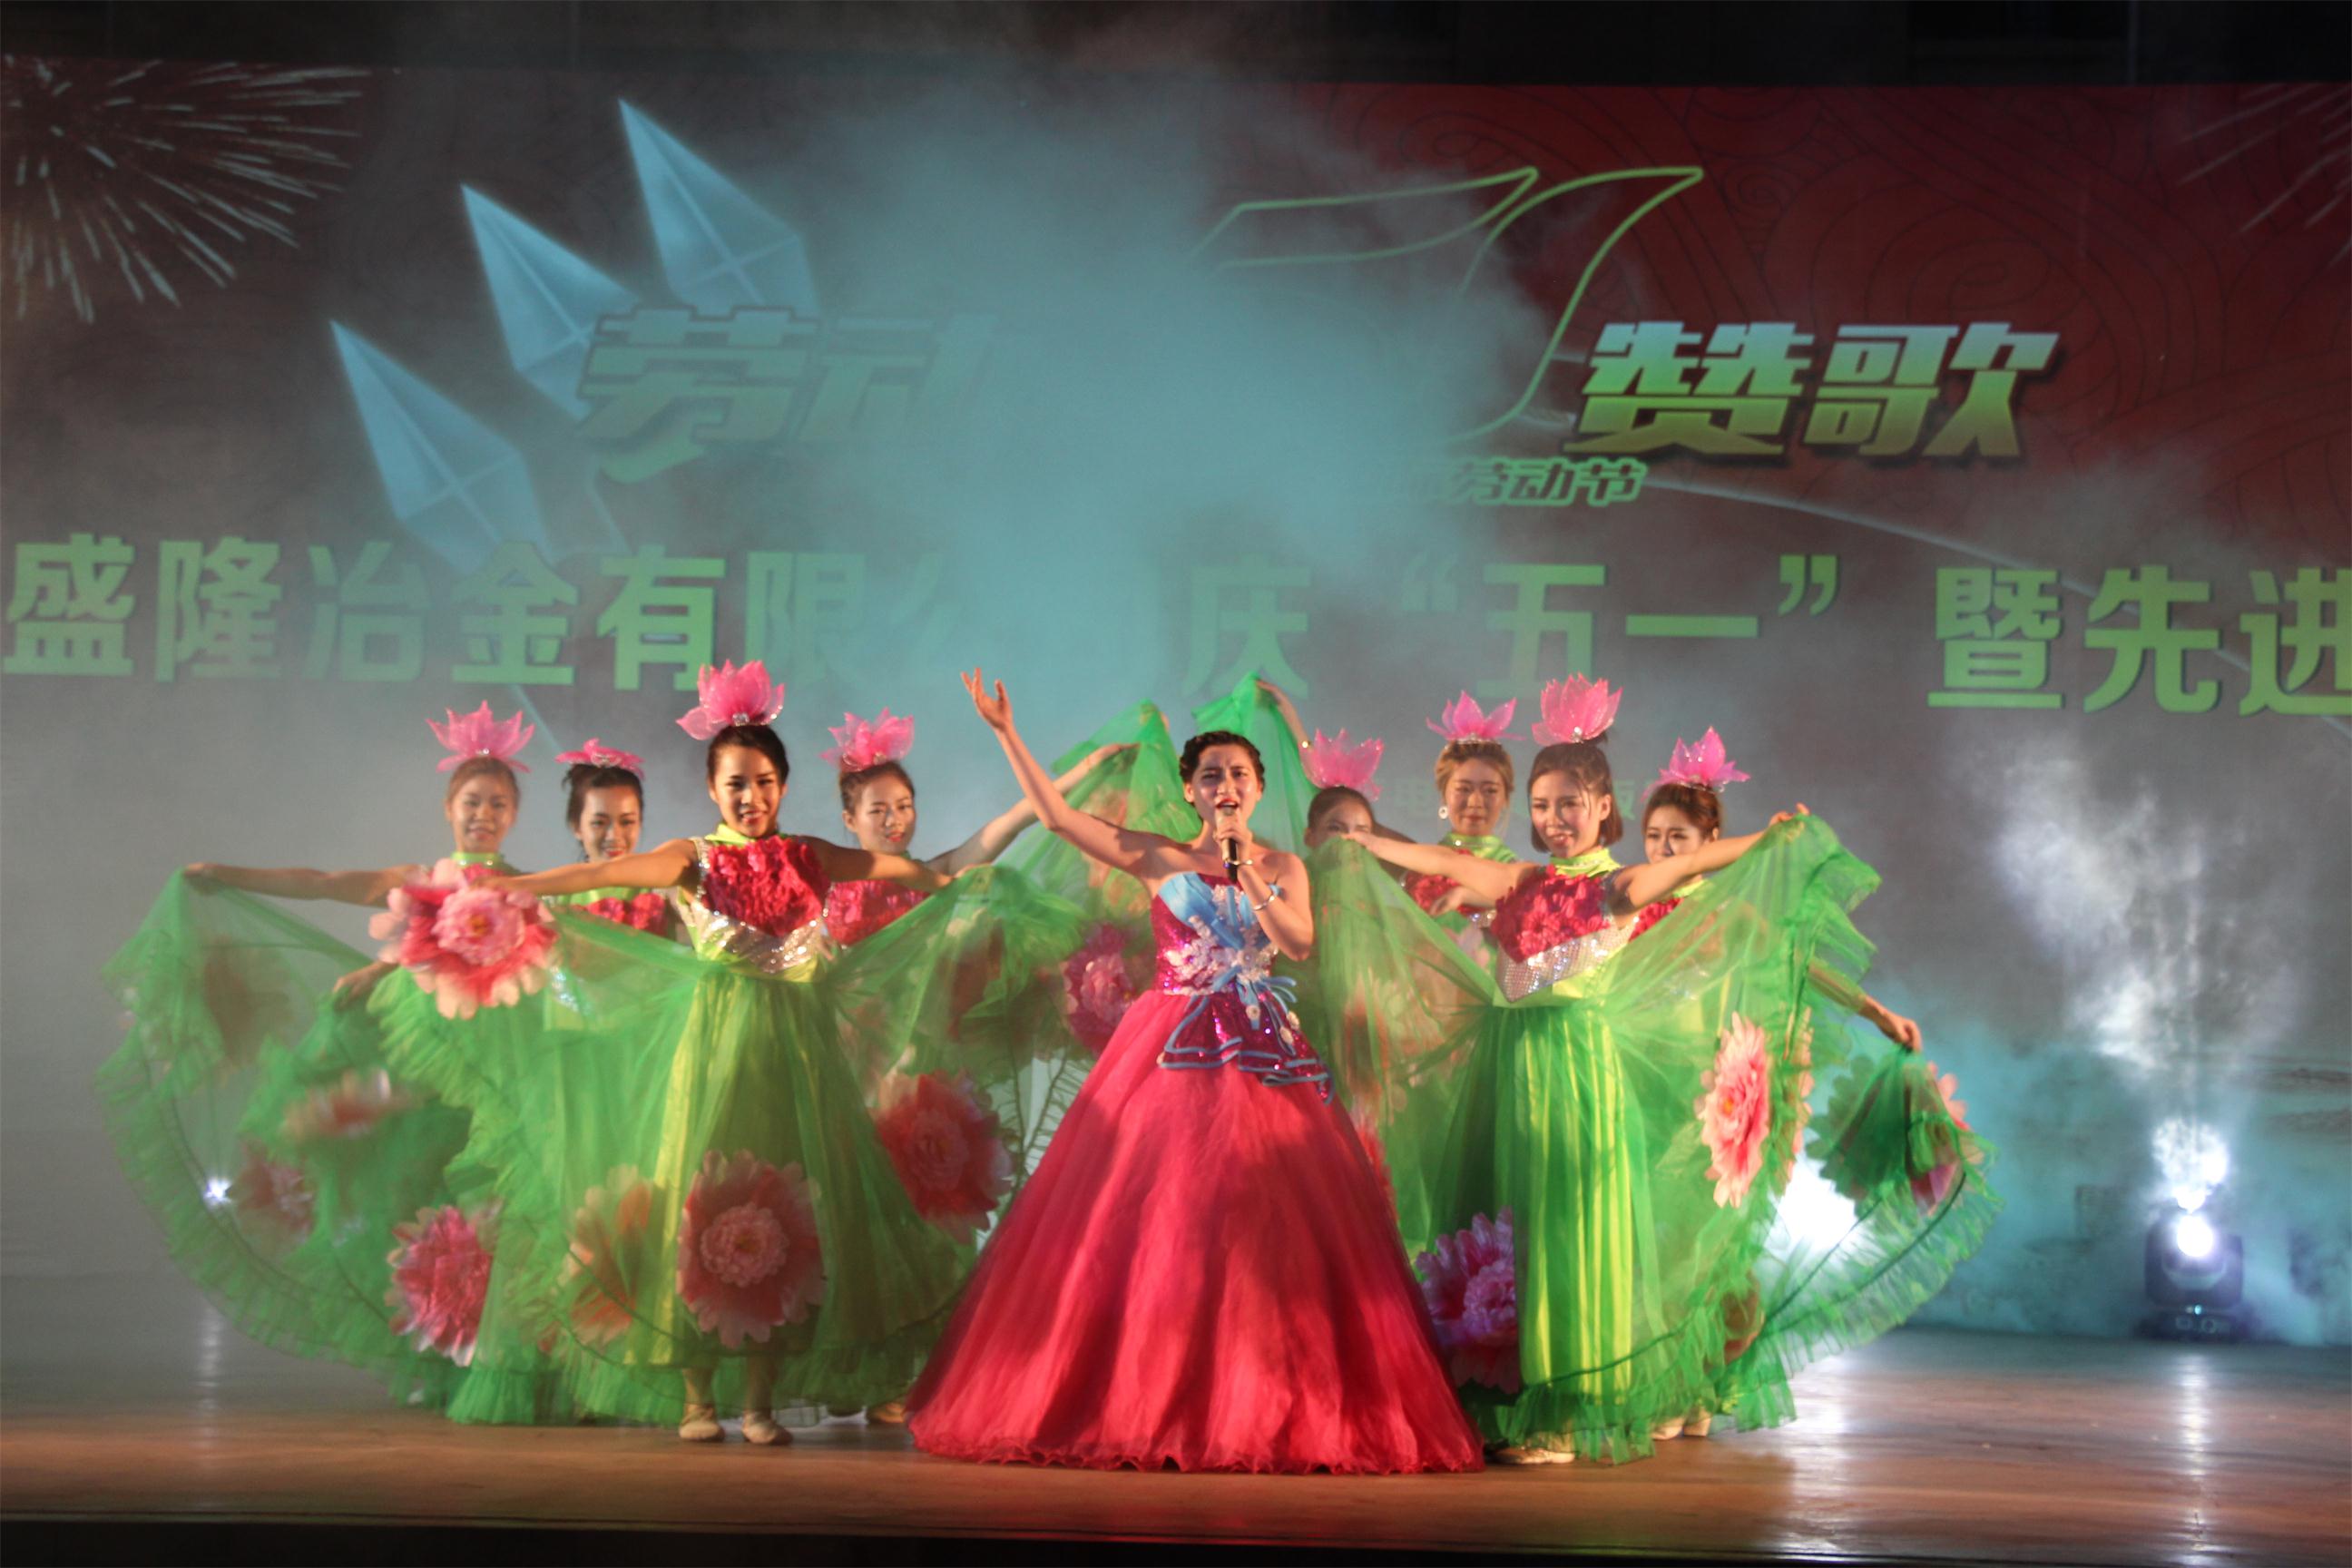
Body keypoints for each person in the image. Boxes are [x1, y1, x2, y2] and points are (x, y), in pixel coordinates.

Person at [903, 670, 1482, 1475]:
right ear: (1190, 789)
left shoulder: (1284, 865)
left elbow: (1300, 942)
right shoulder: (1158, 856)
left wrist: (1249, 872)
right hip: (1169, 1049)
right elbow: (1058, 817)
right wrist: (1006, 732)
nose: (1226, 786)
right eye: (1211, 775)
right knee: (1160, 1221)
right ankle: (1149, 1399)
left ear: (1258, 788)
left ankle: (1263, 1401)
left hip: (1263, 1052)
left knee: (1262, 1227)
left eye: (1239, 774)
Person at [479, 662, 971, 1444]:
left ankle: (759, 1403)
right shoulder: (692, 858)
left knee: (790, 1208)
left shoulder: (809, 855)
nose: (752, 797)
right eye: (737, 784)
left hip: (797, 1062)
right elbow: (602, 872)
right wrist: (520, 888)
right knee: (703, 1201)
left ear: (784, 786)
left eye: (765, 782)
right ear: (713, 788)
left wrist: (956, 886)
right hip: (713, 1057)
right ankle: (696, 1399)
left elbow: (901, 869)